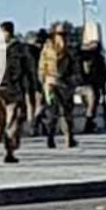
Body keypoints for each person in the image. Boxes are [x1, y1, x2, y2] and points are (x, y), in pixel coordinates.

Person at [0, 21, 33, 163]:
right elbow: (29, 69)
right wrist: (32, 87)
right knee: (13, 122)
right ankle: (9, 152)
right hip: (14, 88)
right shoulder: (19, 48)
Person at [39, 21, 79, 149]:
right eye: (60, 34)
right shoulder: (47, 48)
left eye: (64, 34)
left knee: (67, 112)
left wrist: (74, 80)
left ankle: (69, 138)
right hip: (51, 82)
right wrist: (43, 81)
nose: (62, 36)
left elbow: (75, 67)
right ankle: (50, 137)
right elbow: (41, 67)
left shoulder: (70, 49)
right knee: (53, 111)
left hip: (66, 83)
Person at [76, 29, 106, 134]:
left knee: (92, 104)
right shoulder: (83, 56)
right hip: (85, 84)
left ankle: (89, 123)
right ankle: (88, 123)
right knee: (91, 102)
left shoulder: (98, 58)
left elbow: (102, 72)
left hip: (93, 84)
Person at [23, 29, 47, 137]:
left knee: (30, 105)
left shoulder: (24, 50)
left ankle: (31, 125)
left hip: (26, 80)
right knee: (40, 103)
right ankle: (35, 123)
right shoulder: (42, 52)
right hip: (38, 79)